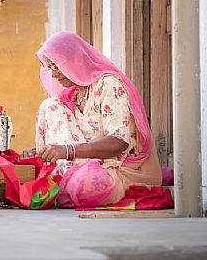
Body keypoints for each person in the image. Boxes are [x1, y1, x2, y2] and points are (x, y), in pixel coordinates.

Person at [21, 30, 162, 208]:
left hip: (111, 170)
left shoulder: (108, 85)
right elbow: (71, 137)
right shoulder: (71, 96)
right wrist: (43, 152)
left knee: (87, 184)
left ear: (75, 60)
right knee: (49, 106)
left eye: (57, 66)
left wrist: (67, 151)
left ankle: (68, 183)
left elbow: (119, 142)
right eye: (51, 67)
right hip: (77, 168)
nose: (54, 74)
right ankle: (65, 180)